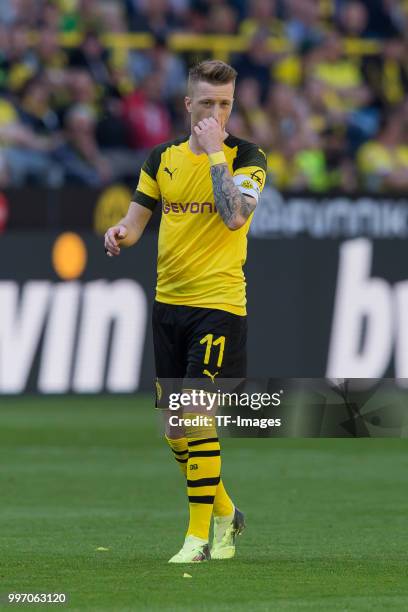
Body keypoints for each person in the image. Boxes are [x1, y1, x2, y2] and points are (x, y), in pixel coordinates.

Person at [104, 60, 267, 563]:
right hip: (168, 305)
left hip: (218, 304)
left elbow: (234, 216)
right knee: (176, 429)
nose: (217, 113)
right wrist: (121, 234)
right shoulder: (162, 158)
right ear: (188, 105)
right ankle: (226, 512)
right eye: (208, 104)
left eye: (225, 104)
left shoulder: (246, 157)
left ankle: (199, 540)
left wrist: (217, 153)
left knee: (198, 416)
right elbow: (137, 222)